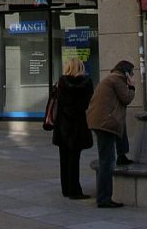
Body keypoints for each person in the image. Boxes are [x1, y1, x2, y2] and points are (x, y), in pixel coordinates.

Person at [86, 59, 135, 209]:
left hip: (102, 120)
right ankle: (104, 198)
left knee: (120, 129)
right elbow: (126, 98)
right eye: (132, 73)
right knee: (107, 162)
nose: (133, 75)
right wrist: (131, 86)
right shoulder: (117, 79)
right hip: (105, 123)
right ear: (126, 73)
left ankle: (122, 155)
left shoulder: (112, 78)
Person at [52, 58, 94, 200]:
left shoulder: (62, 82)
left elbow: (59, 102)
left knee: (64, 159)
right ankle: (75, 190)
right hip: (78, 124)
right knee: (74, 159)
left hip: (63, 125)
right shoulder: (87, 83)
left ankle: (66, 189)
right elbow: (89, 102)